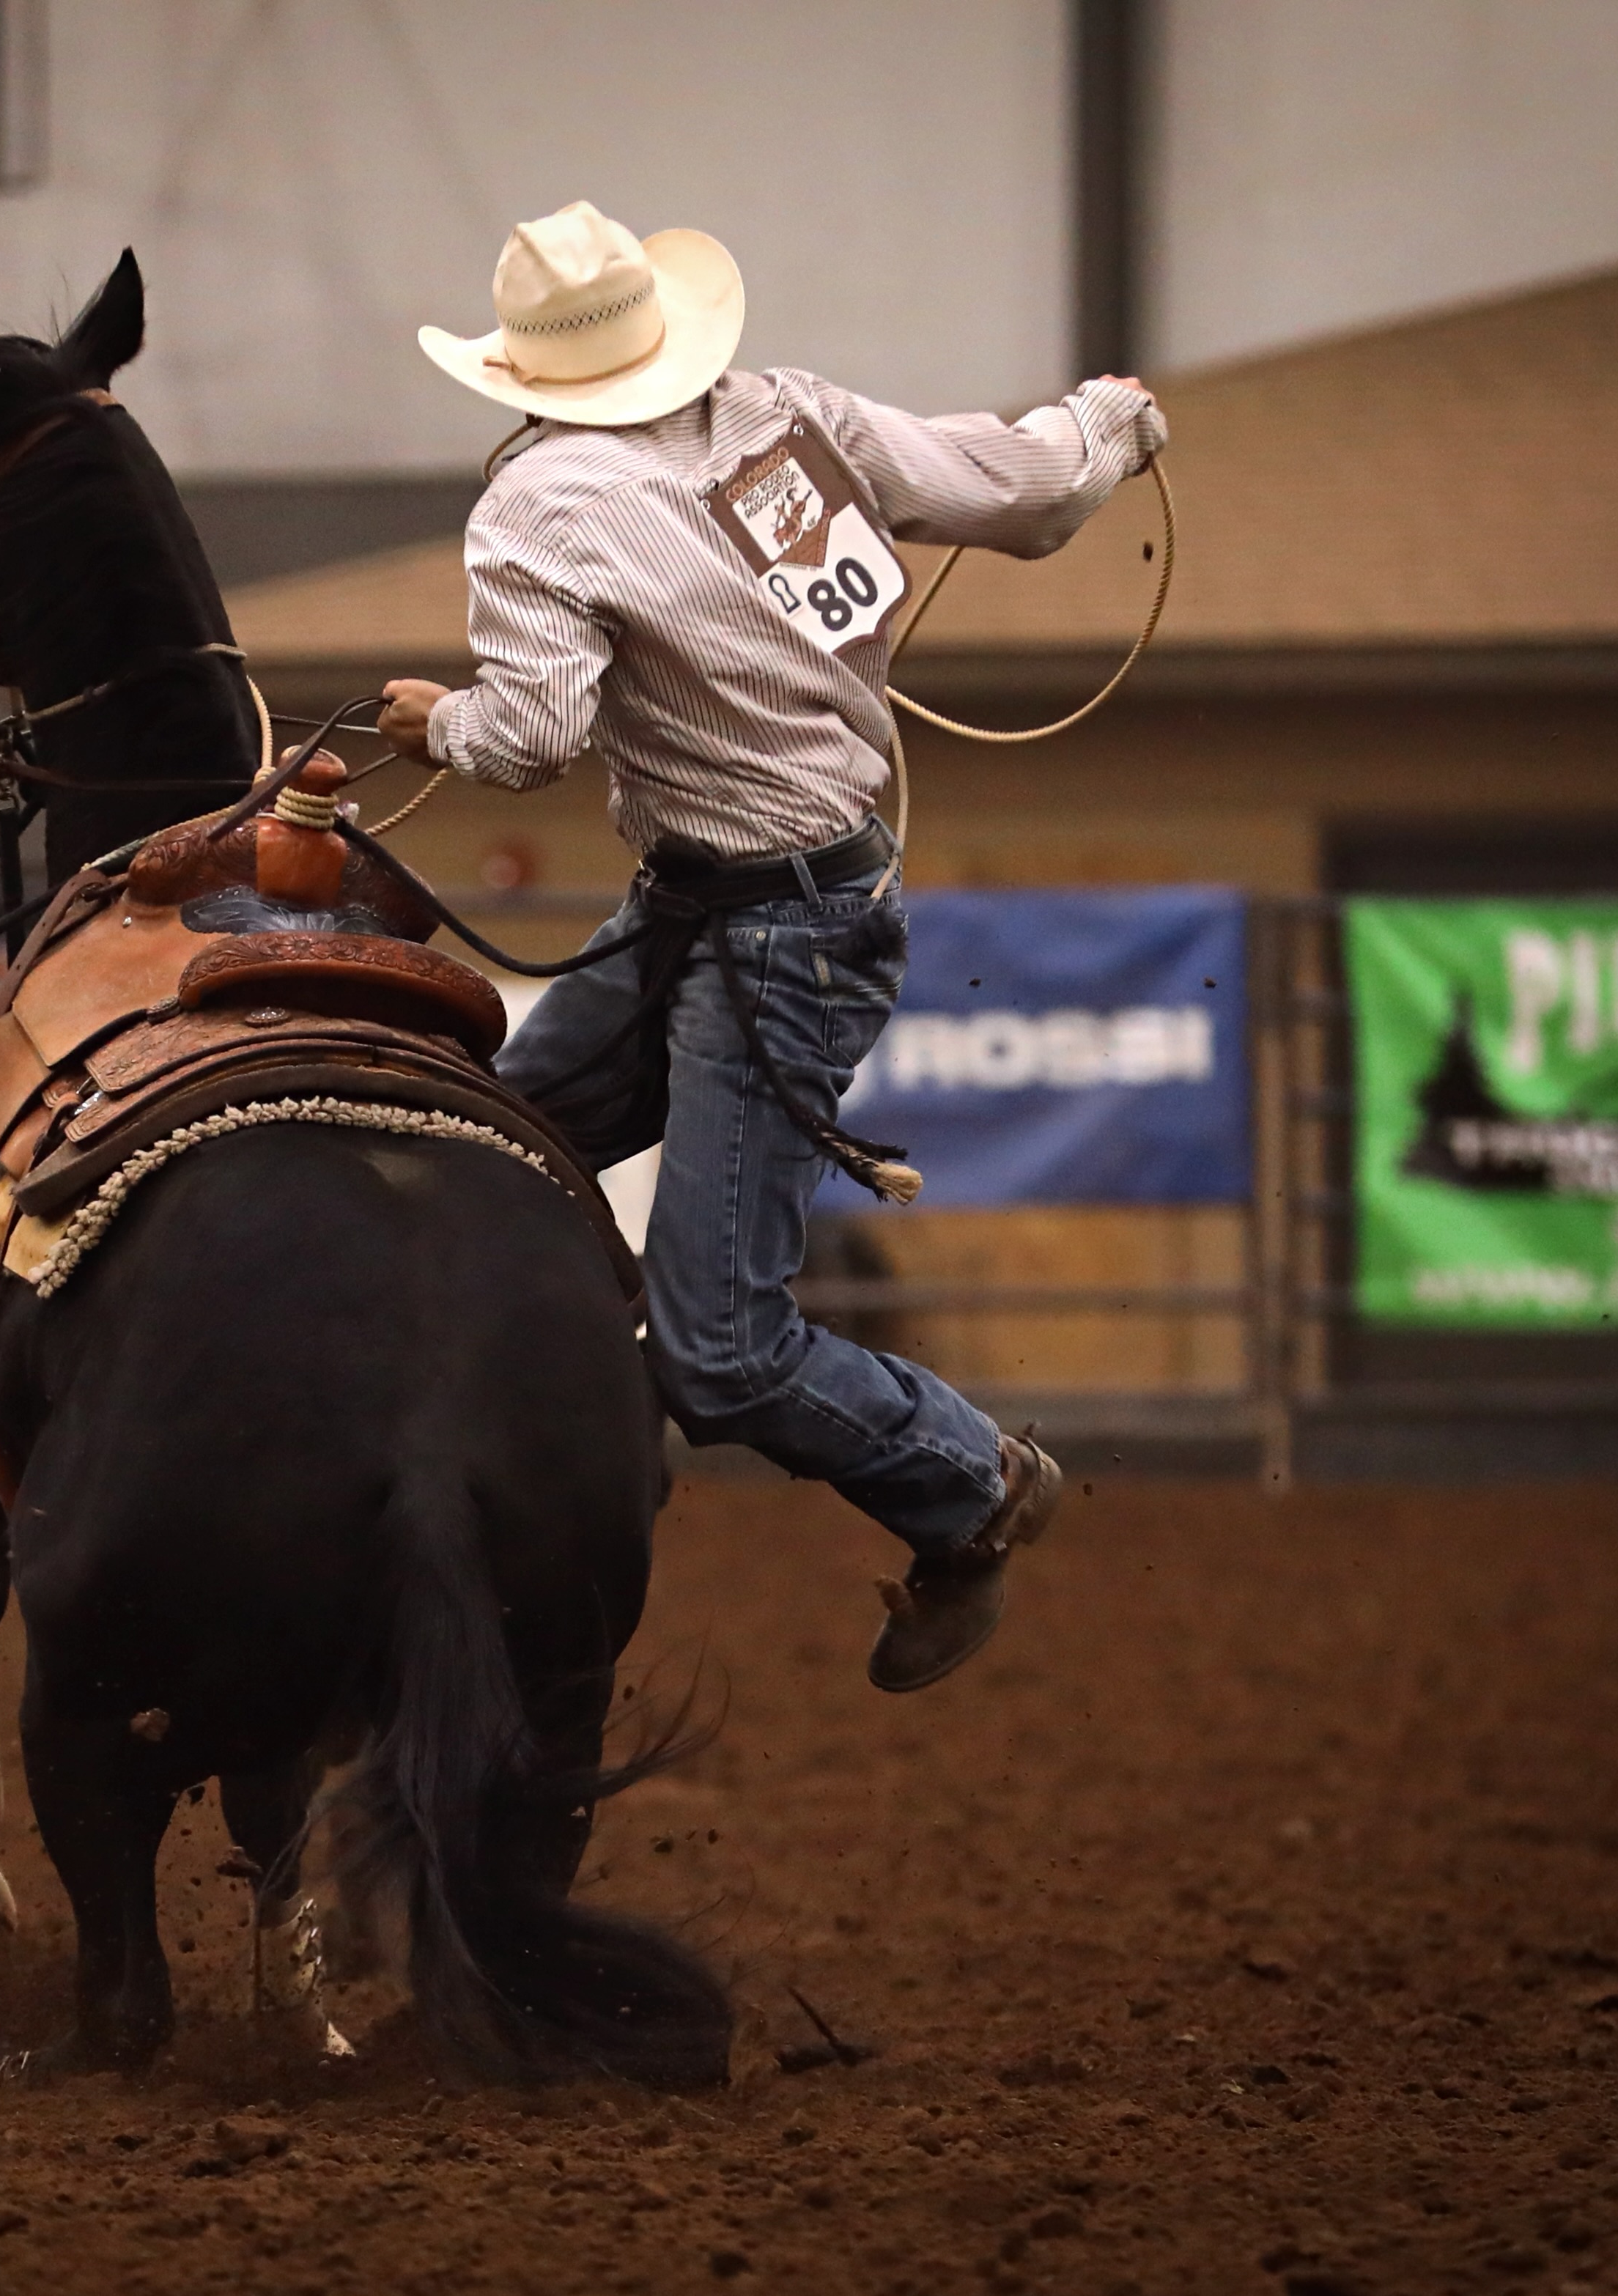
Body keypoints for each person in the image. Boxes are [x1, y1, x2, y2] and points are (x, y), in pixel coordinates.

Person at [377, 202, 1166, 1691]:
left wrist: (439, 723)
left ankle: (969, 1479)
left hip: (754, 924)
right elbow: (1027, 492)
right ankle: (562, 1410)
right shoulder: (784, 418)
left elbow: (534, 733)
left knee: (713, 1339)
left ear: (525, 373)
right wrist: (1107, 422)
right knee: (494, 1148)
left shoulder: (540, 506)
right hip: (776, 903)